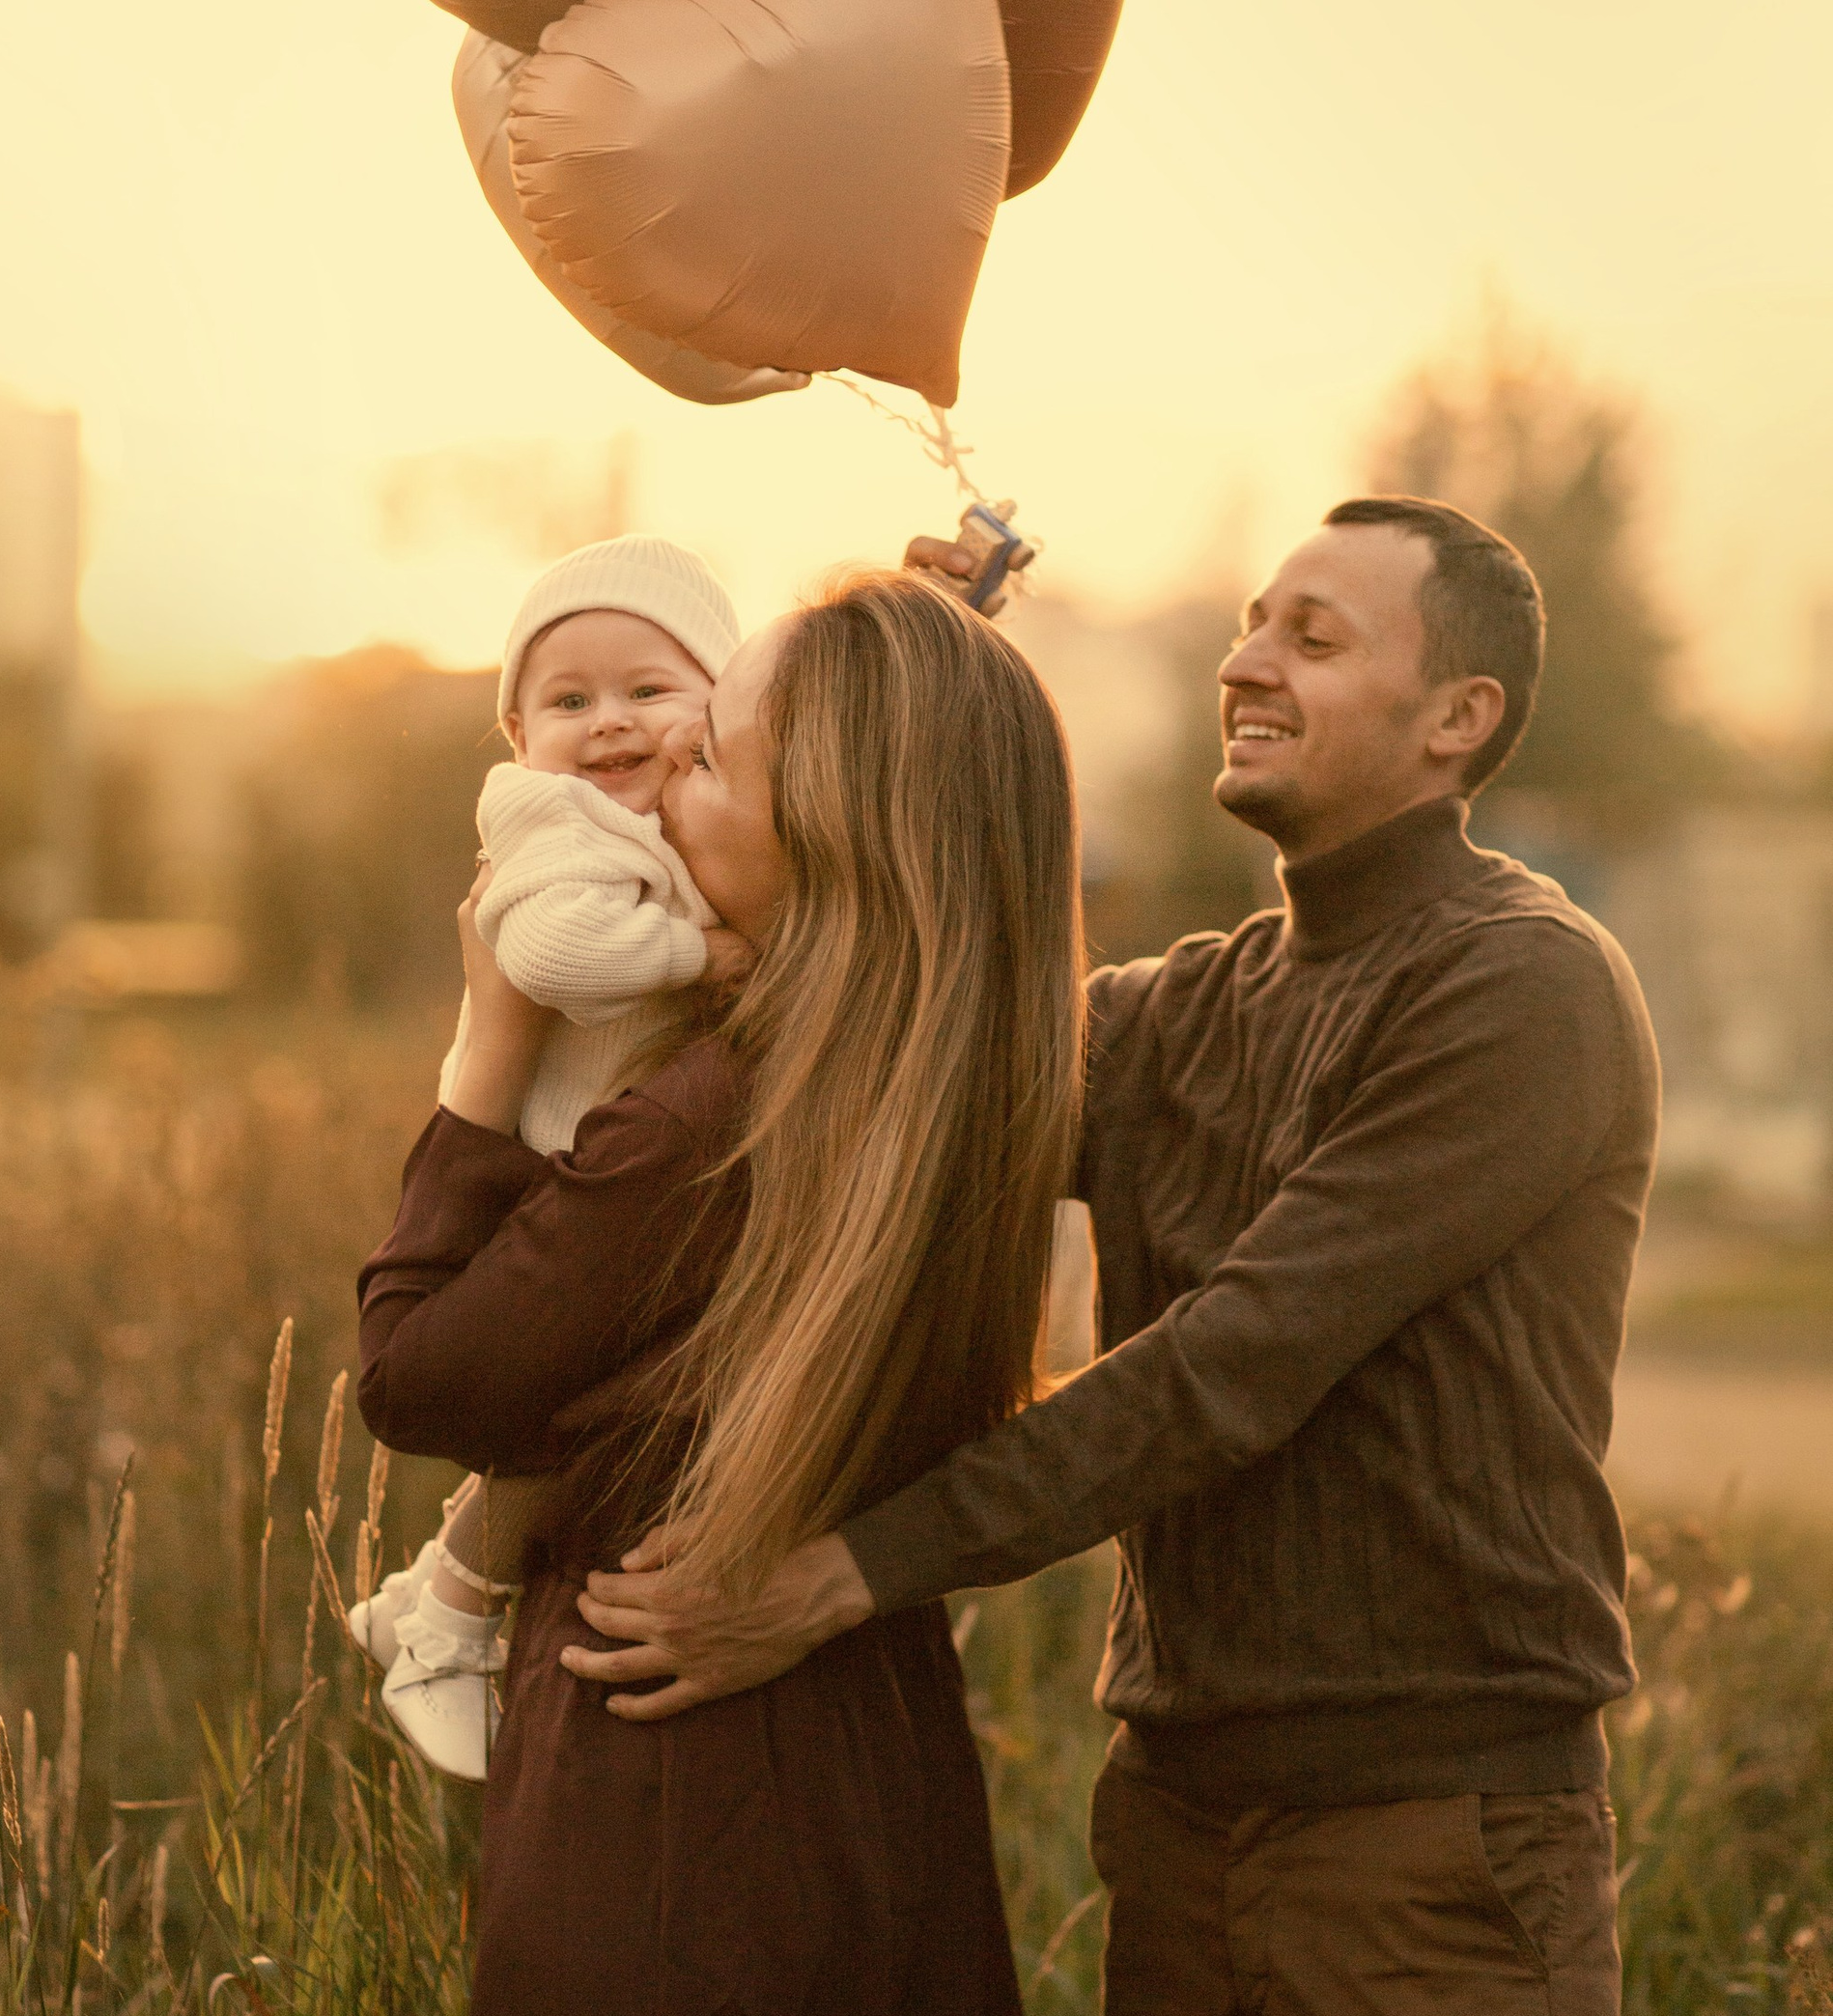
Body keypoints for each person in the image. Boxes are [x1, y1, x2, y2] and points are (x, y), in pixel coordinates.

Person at [567, 497, 1661, 2016]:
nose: (1248, 661)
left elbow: (1228, 1371)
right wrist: (894, 680)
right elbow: (930, 1033)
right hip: (1175, 1822)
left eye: (1315, 637)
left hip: (1429, 1845)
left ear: (1457, 720)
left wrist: (837, 1578)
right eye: (1252, 624)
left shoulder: (1521, 987)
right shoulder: (1174, 1014)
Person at [356, 570, 1085, 2014]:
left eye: (702, 757)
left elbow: (417, 1381)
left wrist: (487, 1047)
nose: (658, 779)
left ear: (819, 822)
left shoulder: (707, 1123)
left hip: (674, 1802)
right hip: (878, 1757)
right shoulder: (977, 1075)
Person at [348, 534, 748, 1778]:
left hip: (611, 1149)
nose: (609, 723)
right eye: (567, 702)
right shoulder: (549, 821)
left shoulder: (679, 823)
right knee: (564, 1414)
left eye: (649, 690)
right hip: (540, 1159)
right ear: (518, 737)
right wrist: (710, 958)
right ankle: (448, 1617)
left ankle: (432, 1600)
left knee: (583, 1421)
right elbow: (561, 958)